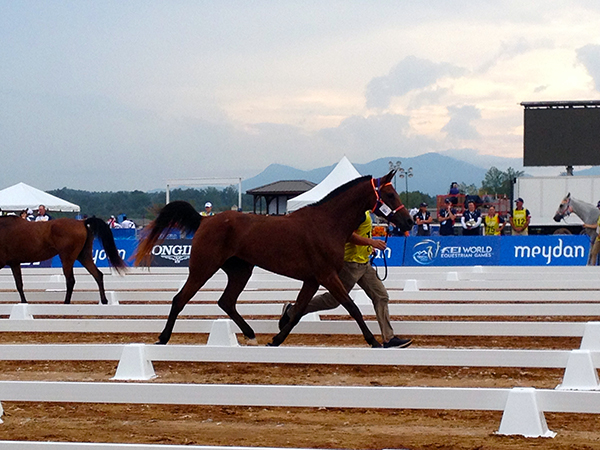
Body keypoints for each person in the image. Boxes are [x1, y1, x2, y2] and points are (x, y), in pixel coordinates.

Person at [279, 211, 412, 348]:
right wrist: (371, 242)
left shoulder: (365, 212)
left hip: (364, 264)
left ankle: (389, 338)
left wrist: (368, 247)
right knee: (333, 300)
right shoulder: (359, 214)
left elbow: (361, 233)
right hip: (351, 265)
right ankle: (292, 311)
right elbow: (349, 236)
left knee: (381, 296)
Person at [583, 200, 600, 265]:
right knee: (594, 252)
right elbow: (597, 225)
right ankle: (593, 267)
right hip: (598, 238)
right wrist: (587, 225)